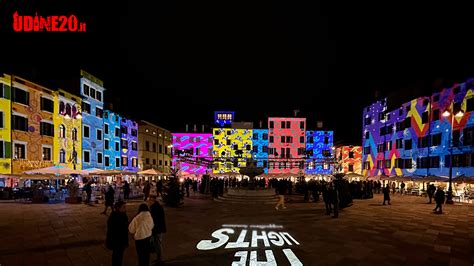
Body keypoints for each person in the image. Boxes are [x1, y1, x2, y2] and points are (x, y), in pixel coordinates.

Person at [106, 201, 129, 266]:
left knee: (120, 256)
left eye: (125, 207)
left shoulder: (123, 215)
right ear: (118, 208)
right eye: (124, 207)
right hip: (117, 241)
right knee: (117, 256)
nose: (125, 208)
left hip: (122, 240)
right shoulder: (114, 217)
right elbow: (113, 230)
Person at [148, 195, 167, 266]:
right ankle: (159, 258)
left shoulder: (154, 208)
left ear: (153, 200)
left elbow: (154, 220)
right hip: (159, 228)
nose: (149, 202)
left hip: (157, 229)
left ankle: (160, 259)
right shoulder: (157, 206)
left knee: (158, 244)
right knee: (157, 244)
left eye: (150, 200)